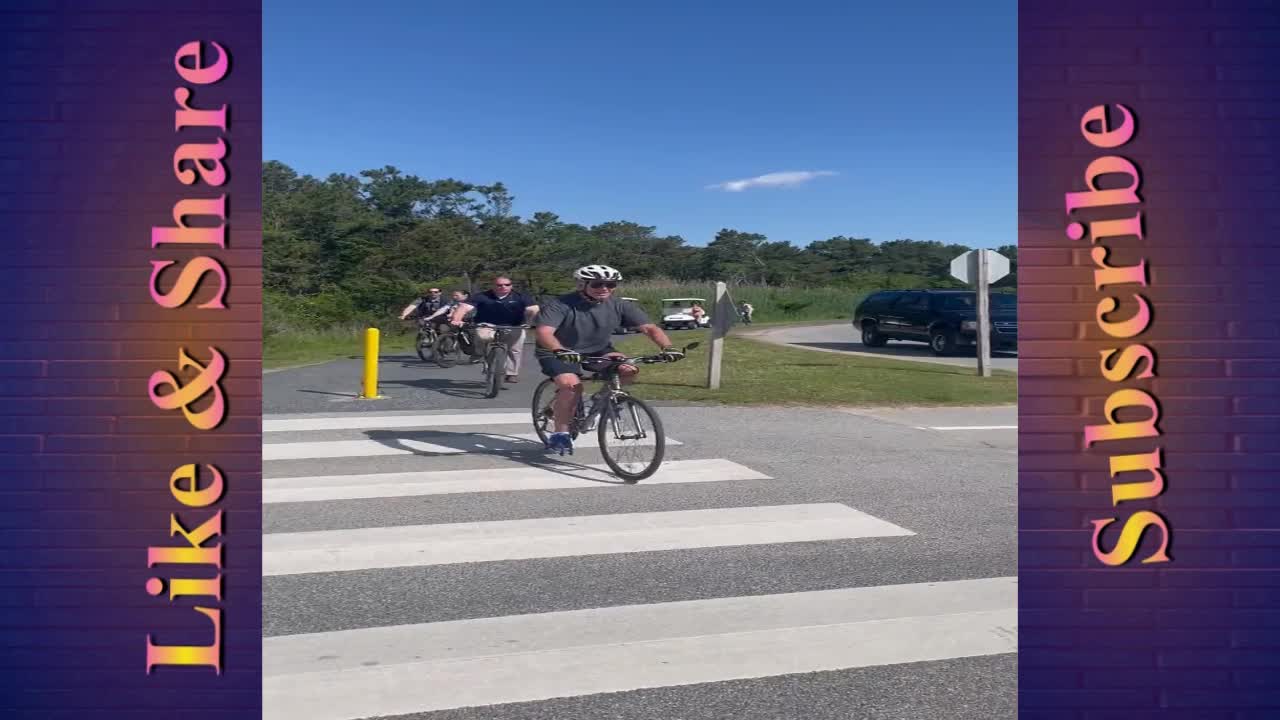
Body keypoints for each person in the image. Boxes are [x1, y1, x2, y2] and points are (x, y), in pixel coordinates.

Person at [534, 264, 683, 455]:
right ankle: (560, 434)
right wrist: (559, 349)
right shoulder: (560, 305)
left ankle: (602, 399)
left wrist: (668, 347)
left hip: (598, 349)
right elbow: (544, 332)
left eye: (611, 284)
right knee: (572, 386)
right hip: (558, 349)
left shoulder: (620, 304)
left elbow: (649, 328)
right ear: (581, 285)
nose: (604, 288)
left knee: (628, 370)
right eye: (597, 284)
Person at [449, 276, 539, 382]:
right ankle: (479, 353)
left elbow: (534, 309)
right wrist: (457, 319)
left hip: (514, 325)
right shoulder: (482, 296)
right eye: (499, 285)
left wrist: (530, 322)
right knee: (482, 337)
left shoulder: (520, 297)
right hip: (487, 324)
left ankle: (512, 373)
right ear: (493, 286)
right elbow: (464, 307)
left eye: (507, 285)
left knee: (515, 349)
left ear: (511, 286)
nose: (503, 287)